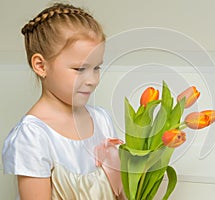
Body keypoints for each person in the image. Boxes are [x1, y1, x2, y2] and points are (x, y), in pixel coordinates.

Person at [2, 3, 125, 200]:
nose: (92, 80)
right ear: (41, 66)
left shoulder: (102, 120)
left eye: (97, 68)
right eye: (80, 69)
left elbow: (120, 193)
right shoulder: (32, 136)